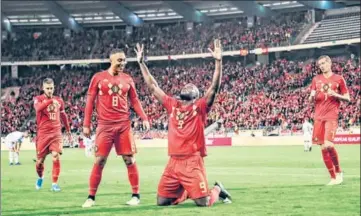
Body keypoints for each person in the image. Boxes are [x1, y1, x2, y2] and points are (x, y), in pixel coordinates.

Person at [135, 39, 231, 207]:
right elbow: (152, 86)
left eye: (191, 86)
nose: (187, 86)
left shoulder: (200, 106)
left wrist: (218, 61)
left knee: (204, 202)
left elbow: (214, 87)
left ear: (196, 95)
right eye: (186, 85)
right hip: (173, 162)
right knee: (162, 202)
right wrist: (141, 63)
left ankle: (217, 189)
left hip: (192, 161)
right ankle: (188, 190)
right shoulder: (172, 104)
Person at [82, 49, 150, 208]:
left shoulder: (128, 79)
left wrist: (144, 117)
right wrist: (86, 123)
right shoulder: (98, 78)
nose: (123, 63)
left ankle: (135, 195)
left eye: (124, 60)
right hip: (104, 126)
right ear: (111, 60)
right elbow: (90, 101)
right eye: (119, 60)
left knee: (130, 159)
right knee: (99, 160)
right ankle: (91, 197)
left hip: (123, 125)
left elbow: (134, 100)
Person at [309, 55, 350, 186]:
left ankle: (339, 171)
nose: (321, 66)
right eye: (319, 64)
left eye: (323, 63)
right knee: (322, 148)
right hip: (318, 117)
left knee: (328, 145)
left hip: (331, 116)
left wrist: (335, 95)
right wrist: (311, 97)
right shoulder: (316, 79)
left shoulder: (339, 79)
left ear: (329, 63)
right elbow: (311, 98)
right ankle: (333, 178)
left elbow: (347, 98)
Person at [34, 78, 71, 192]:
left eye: (51, 88)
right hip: (43, 134)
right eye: (47, 88)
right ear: (43, 88)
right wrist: (49, 101)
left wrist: (68, 130)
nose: (50, 90)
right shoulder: (38, 99)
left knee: (56, 156)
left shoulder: (59, 100)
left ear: (54, 88)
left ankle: (54, 184)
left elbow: (63, 115)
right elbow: (38, 109)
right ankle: (40, 177)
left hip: (56, 133)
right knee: (40, 161)